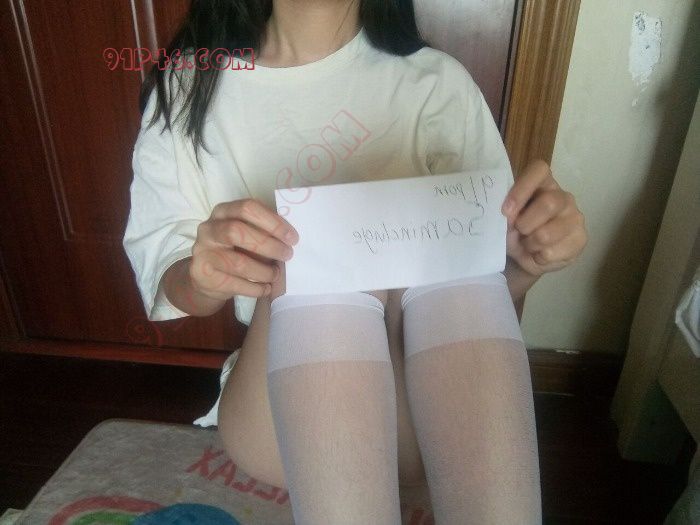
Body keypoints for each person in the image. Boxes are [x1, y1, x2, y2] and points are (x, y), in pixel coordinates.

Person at [122, 0, 587, 523]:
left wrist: (529, 261)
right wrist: (203, 277)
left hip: (429, 409)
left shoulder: (438, 82)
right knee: (320, 250)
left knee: (447, 262)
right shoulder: (189, 88)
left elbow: (486, 295)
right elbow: (169, 273)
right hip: (283, 416)